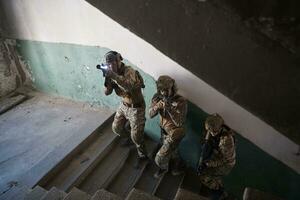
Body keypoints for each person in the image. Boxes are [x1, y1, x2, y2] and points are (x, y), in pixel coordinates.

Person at [103, 51, 148, 164]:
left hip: (136, 108)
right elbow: (106, 93)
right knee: (116, 128)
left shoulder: (129, 71)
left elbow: (128, 87)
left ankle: (143, 155)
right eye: (108, 64)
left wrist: (113, 76)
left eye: (112, 63)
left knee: (137, 137)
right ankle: (130, 138)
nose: (110, 67)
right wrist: (107, 80)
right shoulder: (112, 74)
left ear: (119, 61)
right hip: (124, 105)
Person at [149, 75, 187, 178]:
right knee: (173, 151)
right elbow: (150, 115)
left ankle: (163, 168)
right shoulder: (157, 97)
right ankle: (175, 166)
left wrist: (169, 108)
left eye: (167, 90)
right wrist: (157, 106)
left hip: (175, 133)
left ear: (172, 88)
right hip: (163, 131)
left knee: (159, 158)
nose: (164, 93)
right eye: (161, 90)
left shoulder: (181, 101)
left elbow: (179, 122)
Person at [198, 114, 236, 199]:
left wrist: (207, 164)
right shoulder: (217, 123)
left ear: (218, 129)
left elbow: (223, 160)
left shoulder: (226, 140)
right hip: (219, 155)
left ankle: (219, 192)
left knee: (204, 175)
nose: (211, 133)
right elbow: (208, 136)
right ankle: (216, 186)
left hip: (227, 164)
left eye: (213, 131)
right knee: (209, 172)